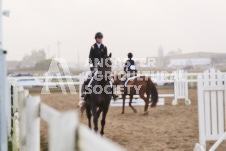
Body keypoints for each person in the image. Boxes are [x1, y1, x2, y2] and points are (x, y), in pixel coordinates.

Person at [82, 32, 118, 100]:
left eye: (101, 38)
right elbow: (91, 57)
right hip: (95, 67)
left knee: (111, 80)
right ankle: (85, 93)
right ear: (96, 39)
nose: (100, 39)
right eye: (99, 38)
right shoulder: (93, 47)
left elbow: (106, 57)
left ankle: (113, 94)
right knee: (88, 78)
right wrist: (92, 66)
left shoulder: (104, 47)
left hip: (102, 67)